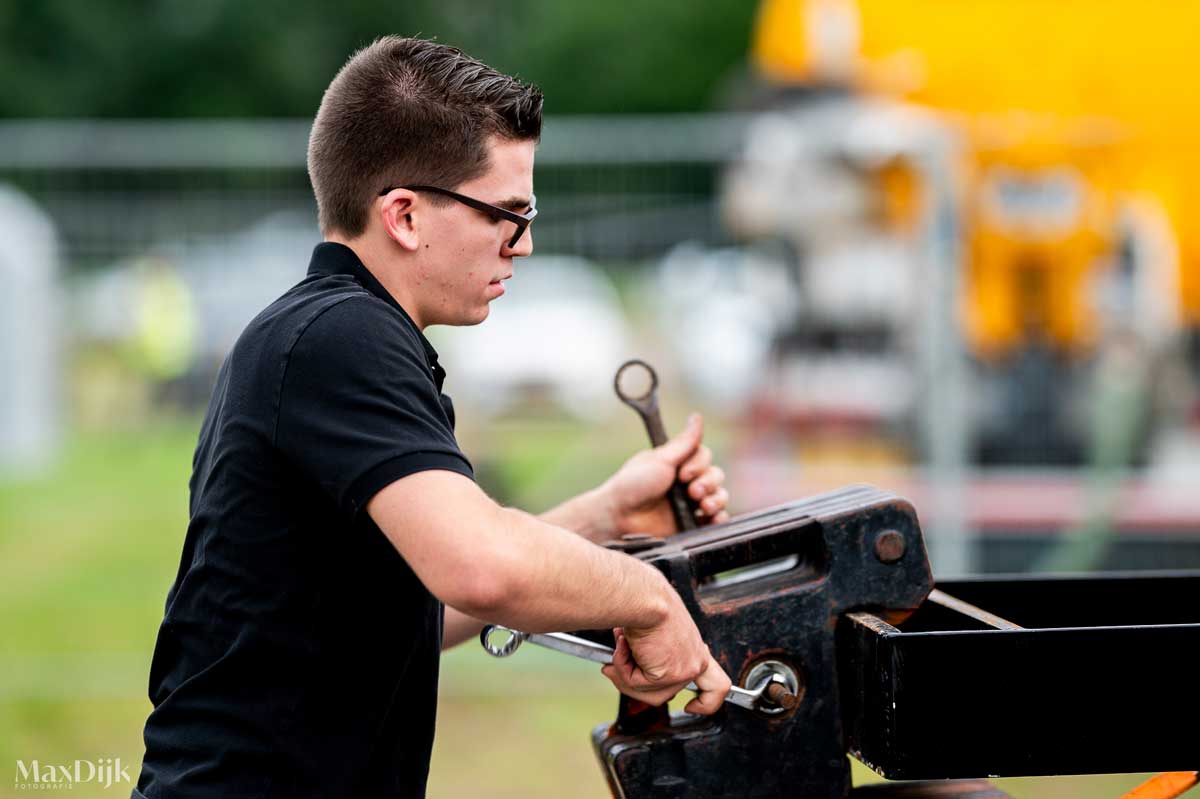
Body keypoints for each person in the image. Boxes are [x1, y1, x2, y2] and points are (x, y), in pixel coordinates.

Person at [133, 36, 733, 799]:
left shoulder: (339, 334)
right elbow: (479, 566)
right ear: (406, 216)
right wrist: (649, 600)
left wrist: (609, 512)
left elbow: (420, 603)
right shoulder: (340, 338)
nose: (525, 243)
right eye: (507, 215)